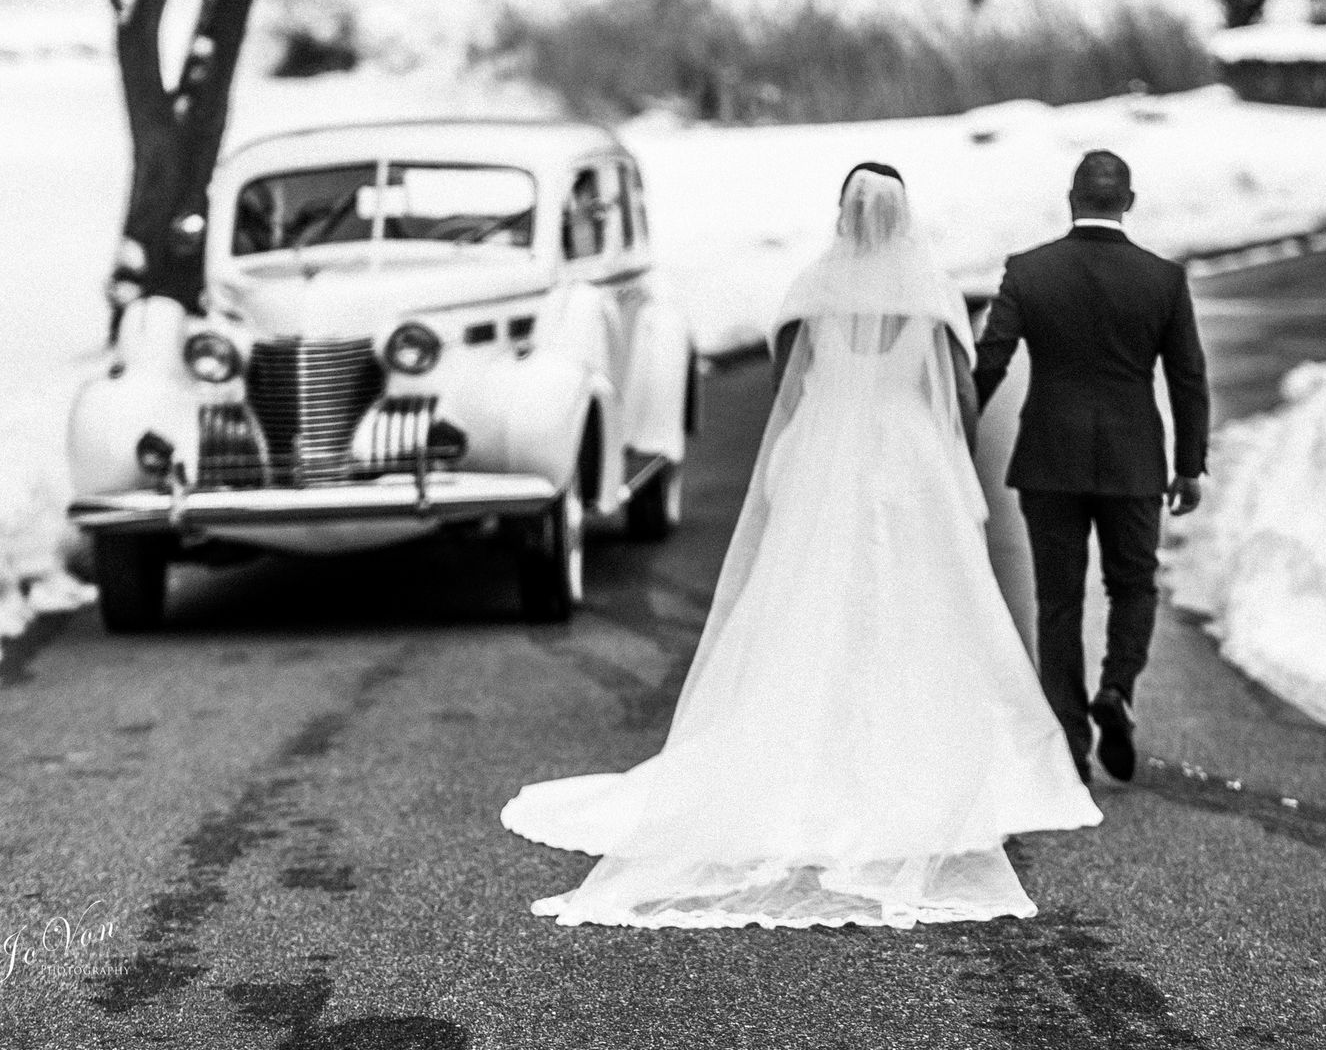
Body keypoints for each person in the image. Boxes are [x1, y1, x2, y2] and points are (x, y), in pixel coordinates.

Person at [501, 162, 1100, 930]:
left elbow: (790, 385)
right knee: (923, 601)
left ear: (843, 215)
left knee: (812, 597)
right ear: (903, 215)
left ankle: (803, 742)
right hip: (909, 455)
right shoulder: (932, 291)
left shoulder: (811, 288)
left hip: (823, 452)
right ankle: (919, 751)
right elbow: (957, 392)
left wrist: (809, 440)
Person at [973, 150, 1210, 784]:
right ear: (1127, 203)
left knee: (1058, 603)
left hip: (1049, 459)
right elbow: (1187, 375)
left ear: (1071, 200)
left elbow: (989, 360)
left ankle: (1071, 747)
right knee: (1133, 585)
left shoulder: (1029, 272)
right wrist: (1189, 465)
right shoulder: (1163, 280)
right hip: (1134, 460)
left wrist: (952, 426)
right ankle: (1118, 690)